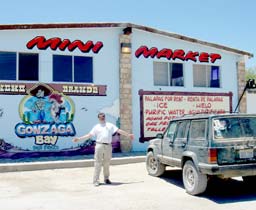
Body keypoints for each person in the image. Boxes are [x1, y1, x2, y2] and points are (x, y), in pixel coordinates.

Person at [72, 112, 134, 186]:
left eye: (103, 116)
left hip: (108, 146)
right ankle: (95, 180)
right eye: (101, 117)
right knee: (97, 163)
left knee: (107, 163)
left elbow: (119, 131)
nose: (102, 118)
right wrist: (79, 139)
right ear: (98, 118)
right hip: (99, 145)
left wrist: (128, 135)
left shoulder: (110, 125)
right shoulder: (96, 127)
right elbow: (89, 135)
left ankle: (106, 178)